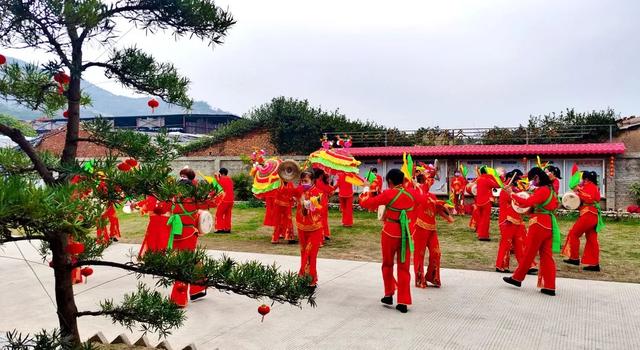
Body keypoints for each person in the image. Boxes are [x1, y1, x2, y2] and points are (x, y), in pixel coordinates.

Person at [359, 169, 415, 313]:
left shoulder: (389, 194)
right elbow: (423, 201)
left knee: (387, 264)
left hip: (390, 232)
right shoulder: (412, 194)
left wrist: (366, 187)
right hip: (406, 234)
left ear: (389, 181)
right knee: (404, 268)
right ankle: (403, 301)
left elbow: (366, 203)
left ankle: (389, 294)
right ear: (402, 181)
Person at [169, 168, 221, 307]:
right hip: (189, 234)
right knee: (186, 262)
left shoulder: (173, 198)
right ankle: (180, 297)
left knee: (188, 260)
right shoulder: (194, 198)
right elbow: (213, 202)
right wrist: (216, 185)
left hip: (175, 233)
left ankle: (198, 288)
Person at [503, 167, 559, 296]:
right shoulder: (551, 190)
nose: (533, 182)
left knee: (528, 252)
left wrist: (511, 194)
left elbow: (528, 201)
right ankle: (550, 286)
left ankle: (517, 278)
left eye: (533, 179)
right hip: (548, 224)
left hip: (538, 224)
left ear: (538, 178)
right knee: (546, 256)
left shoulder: (543, 190)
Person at [413, 174, 452, 288]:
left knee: (436, 253)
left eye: (432, 179)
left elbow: (438, 208)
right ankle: (419, 279)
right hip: (420, 228)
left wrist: (447, 212)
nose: (432, 181)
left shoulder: (432, 196)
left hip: (432, 229)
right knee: (419, 254)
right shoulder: (417, 193)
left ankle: (432, 276)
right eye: (429, 179)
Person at [561, 171, 603, 271]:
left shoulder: (590, 186)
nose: (582, 181)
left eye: (583, 179)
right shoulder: (594, 187)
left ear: (586, 179)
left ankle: (574, 258)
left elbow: (590, 199)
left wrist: (578, 191)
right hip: (592, 215)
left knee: (574, 234)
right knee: (592, 240)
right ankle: (594, 264)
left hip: (588, 215)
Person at [293, 171, 325, 287]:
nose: (303, 183)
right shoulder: (299, 191)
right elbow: (288, 193)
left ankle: (309, 280)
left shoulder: (318, 192)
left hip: (315, 228)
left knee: (310, 253)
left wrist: (311, 205)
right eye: (302, 181)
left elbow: (320, 208)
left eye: (306, 181)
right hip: (302, 227)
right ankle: (307, 279)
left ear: (312, 181)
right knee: (303, 253)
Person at [495, 170, 526, 273]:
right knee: (506, 243)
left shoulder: (514, 189)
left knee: (520, 243)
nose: (520, 181)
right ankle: (501, 265)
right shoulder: (506, 189)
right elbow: (516, 200)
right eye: (519, 179)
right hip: (507, 220)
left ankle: (526, 265)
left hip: (517, 219)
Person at [475, 166, 500, 241]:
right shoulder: (487, 179)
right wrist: (493, 177)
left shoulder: (478, 179)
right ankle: (484, 236)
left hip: (478, 202)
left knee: (481, 219)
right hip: (486, 202)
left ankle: (480, 234)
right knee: (485, 220)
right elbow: (497, 185)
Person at [314, 168, 336, 241]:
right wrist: (329, 184)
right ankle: (325, 234)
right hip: (322, 202)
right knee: (323, 218)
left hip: (315, 201)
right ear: (320, 175)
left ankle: (318, 233)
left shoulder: (313, 182)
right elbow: (331, 190)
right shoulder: (322, 182)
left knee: (316, 218)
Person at [214, 168, 234, 233]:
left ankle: (220, 228)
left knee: (219, 214)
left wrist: (216, 178)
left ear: (221, 173)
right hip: (231, 200)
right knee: (228, 214)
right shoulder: (230, 179)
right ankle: (227, 228)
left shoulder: (221, 179)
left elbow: (217, 187)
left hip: (224, 199)